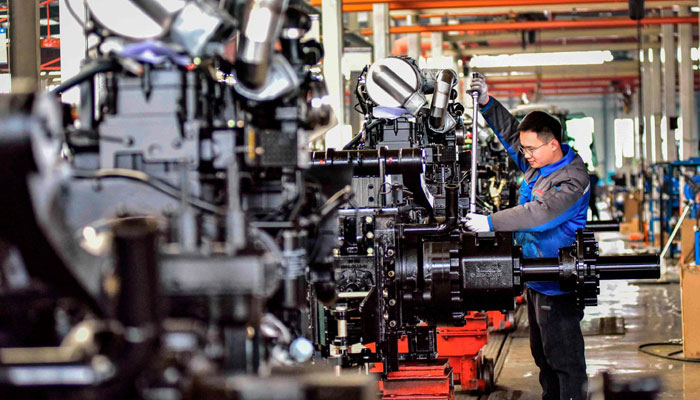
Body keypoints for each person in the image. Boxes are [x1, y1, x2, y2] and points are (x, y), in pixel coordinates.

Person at [466, 73, 591, 400]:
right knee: (543, 357)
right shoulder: (540, 163)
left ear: (553, 145)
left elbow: (540, 214)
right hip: (535, 277)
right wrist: (487, 104)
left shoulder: (573, 180)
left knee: (564, 359)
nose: (526, 154)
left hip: (557, 281)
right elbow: (510, 134)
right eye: (525, 149)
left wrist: (489, 223)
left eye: (532, 148)